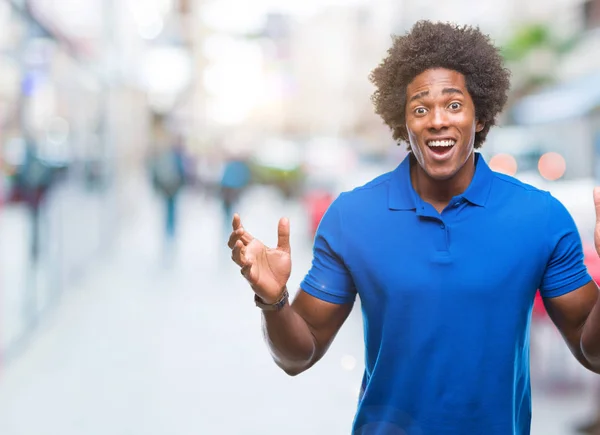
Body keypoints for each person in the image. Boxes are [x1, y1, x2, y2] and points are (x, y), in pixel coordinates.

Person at [227, 21, 600, 434]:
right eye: (420, 109)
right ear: (402, 124)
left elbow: (593, 352)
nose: (437, 120)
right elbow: (298, 356)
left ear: (479, 117)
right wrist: (274, 300)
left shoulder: (540, 217)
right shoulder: (353, 217)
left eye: (454, 105)